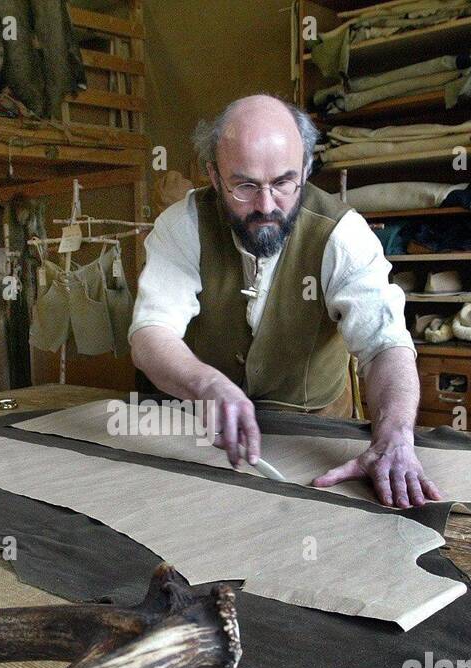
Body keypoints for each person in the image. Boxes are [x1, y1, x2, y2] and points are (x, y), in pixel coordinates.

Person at [129, 94, 441, 508]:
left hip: (311, 432)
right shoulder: (181, 226)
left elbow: (385, 346)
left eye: (283, 183)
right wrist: (206, 384)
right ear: (214, 174)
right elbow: (151, 332)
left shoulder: (342, 234)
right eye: (244, 185)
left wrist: (396, 436)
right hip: (202, 433)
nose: (265, 205)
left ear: (306, 170)